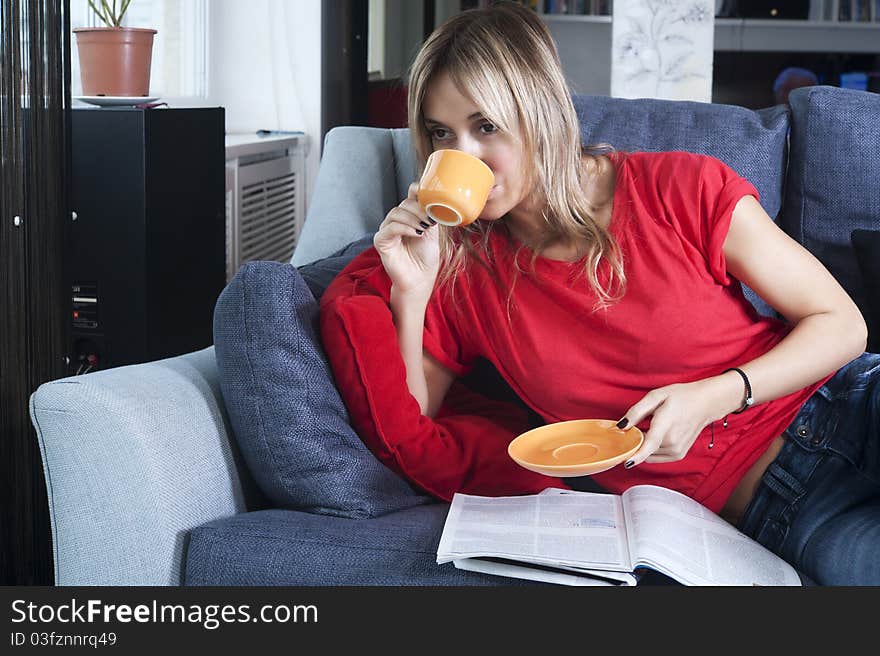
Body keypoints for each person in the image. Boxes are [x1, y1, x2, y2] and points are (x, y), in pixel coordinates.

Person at [365, 2, 877, 585]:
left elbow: (842, 323)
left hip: (845, 406)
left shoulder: (680, 187)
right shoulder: (464, 273)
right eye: (440, 133)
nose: (463, 155)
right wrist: (411, 291)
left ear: (541, 115)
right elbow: (409, 428)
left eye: (486, 126)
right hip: (782, 508)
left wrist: (716, 395)